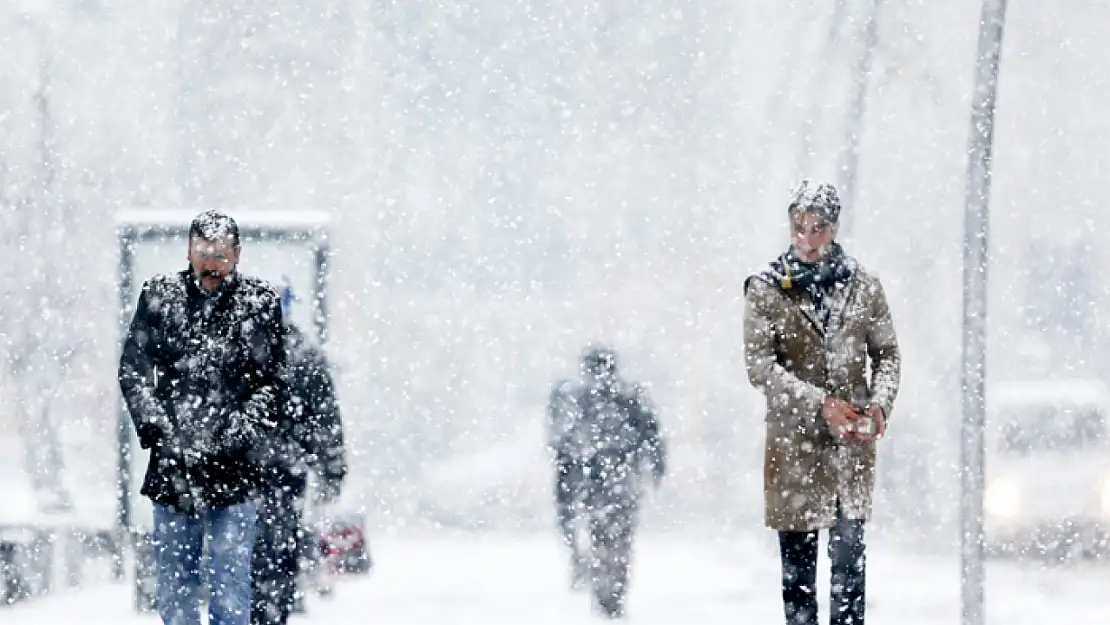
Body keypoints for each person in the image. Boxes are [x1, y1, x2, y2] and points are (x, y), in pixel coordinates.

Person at [743, 179, 901, 625]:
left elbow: (886, 354)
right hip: (794, 453)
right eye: (799, 228)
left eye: (817, 229)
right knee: (799, 584)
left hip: (851, 451)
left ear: (834, 229)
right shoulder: (767, 288)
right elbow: (761, 368)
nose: (807, 240)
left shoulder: (864, 288)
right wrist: (820, 403)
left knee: (850, 576)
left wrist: (879, 405)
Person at [119, 210, 287, 625]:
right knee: (175, 590)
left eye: (221, 255)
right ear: (189, 252)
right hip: (174, 468)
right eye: (203, 253)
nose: (211, 265)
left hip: (237, 468)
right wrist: (158, 426)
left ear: (238, 255)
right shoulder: (159, 296)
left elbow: (274, 382)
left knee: (231, 589)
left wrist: (240, 431)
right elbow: (133, 370)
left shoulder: (260, 302)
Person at [251, 284, 347, 625]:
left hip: (241, 474)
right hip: (285, 473)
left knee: (241, 554)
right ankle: (272, 612)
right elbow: (326, 419)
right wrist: (332, 471)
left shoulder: (236, 349)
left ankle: (250, 610)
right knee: (279, 552)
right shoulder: (304, 353)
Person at [555, 346, 666, 619]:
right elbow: (651, 434)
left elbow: (567, 446)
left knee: (603, 538)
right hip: (621, 481)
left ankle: (606, 592)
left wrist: (568, 481)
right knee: (618, 541)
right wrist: (655, 466)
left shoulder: (582, 400)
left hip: (598, 483)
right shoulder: (629, 397)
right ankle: (612, 592)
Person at [546, 378, 588, 589]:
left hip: (571, 468)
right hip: (578, 469)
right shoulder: (582, 397)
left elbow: (554, 436)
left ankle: (581, 560)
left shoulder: (568, 396)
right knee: (573, 519)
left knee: (569, 519)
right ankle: (583, 560)